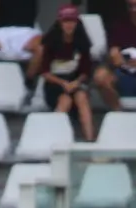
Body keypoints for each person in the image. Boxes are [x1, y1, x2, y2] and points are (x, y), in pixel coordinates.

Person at [39, 6, 96, 141]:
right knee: (65, 100)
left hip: (75, 82)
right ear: (60, 22)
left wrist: (76, 82)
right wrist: (63, 83)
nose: (69, 25)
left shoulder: (82, 42)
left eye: (72, 21)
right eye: (66, 21)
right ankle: (53, 139)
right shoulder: (50, 42)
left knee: (82, 97)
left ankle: (91, 140)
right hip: (55, 84)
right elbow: (45, 72)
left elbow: (86, 71)